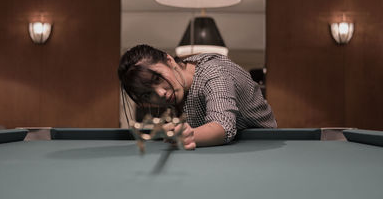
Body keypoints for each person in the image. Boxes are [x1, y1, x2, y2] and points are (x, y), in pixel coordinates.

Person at [118, 44, 277, 150]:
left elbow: (223, 127)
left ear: (169, 61)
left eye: (157, 79)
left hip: (262, 146)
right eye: (147, 94)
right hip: (223, 148)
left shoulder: (214, 73)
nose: (160, 93)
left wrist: (187, 135)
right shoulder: (178, 84)